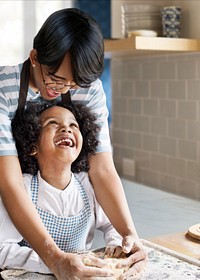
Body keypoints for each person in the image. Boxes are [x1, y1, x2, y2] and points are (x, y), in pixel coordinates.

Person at [0, 7, 147, 279]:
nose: (63, 90)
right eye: (56, 80)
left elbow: (102, 169)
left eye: (73, 84)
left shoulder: (87, 89)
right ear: (34, 57)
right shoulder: (3, 88)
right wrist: (54, 260)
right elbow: (9, 182)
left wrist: (129, 234)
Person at [1, 101, 144, 280]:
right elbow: (3, 249)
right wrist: (51, 263)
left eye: (73, 125)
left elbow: (111, 224)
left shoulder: (88, 185)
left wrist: (116, 243)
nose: (66, 129)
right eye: (53, 123)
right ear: (32, 146)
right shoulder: (22, 189)